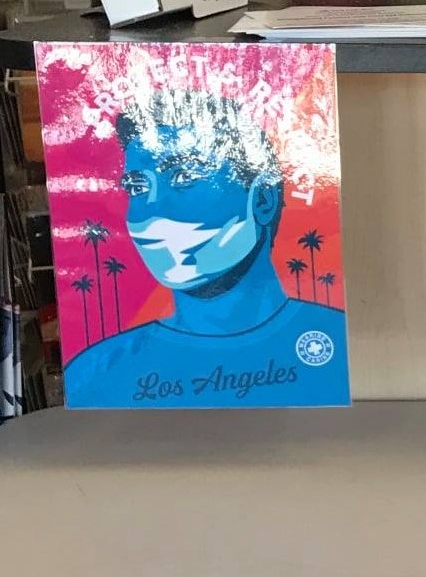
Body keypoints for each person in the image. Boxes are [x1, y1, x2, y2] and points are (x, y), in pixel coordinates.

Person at [62, 89, 348, 408]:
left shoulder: (337, 341)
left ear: (262, 199)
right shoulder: (98, 373)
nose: (152, 211)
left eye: (185, 176)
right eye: (138, 187)